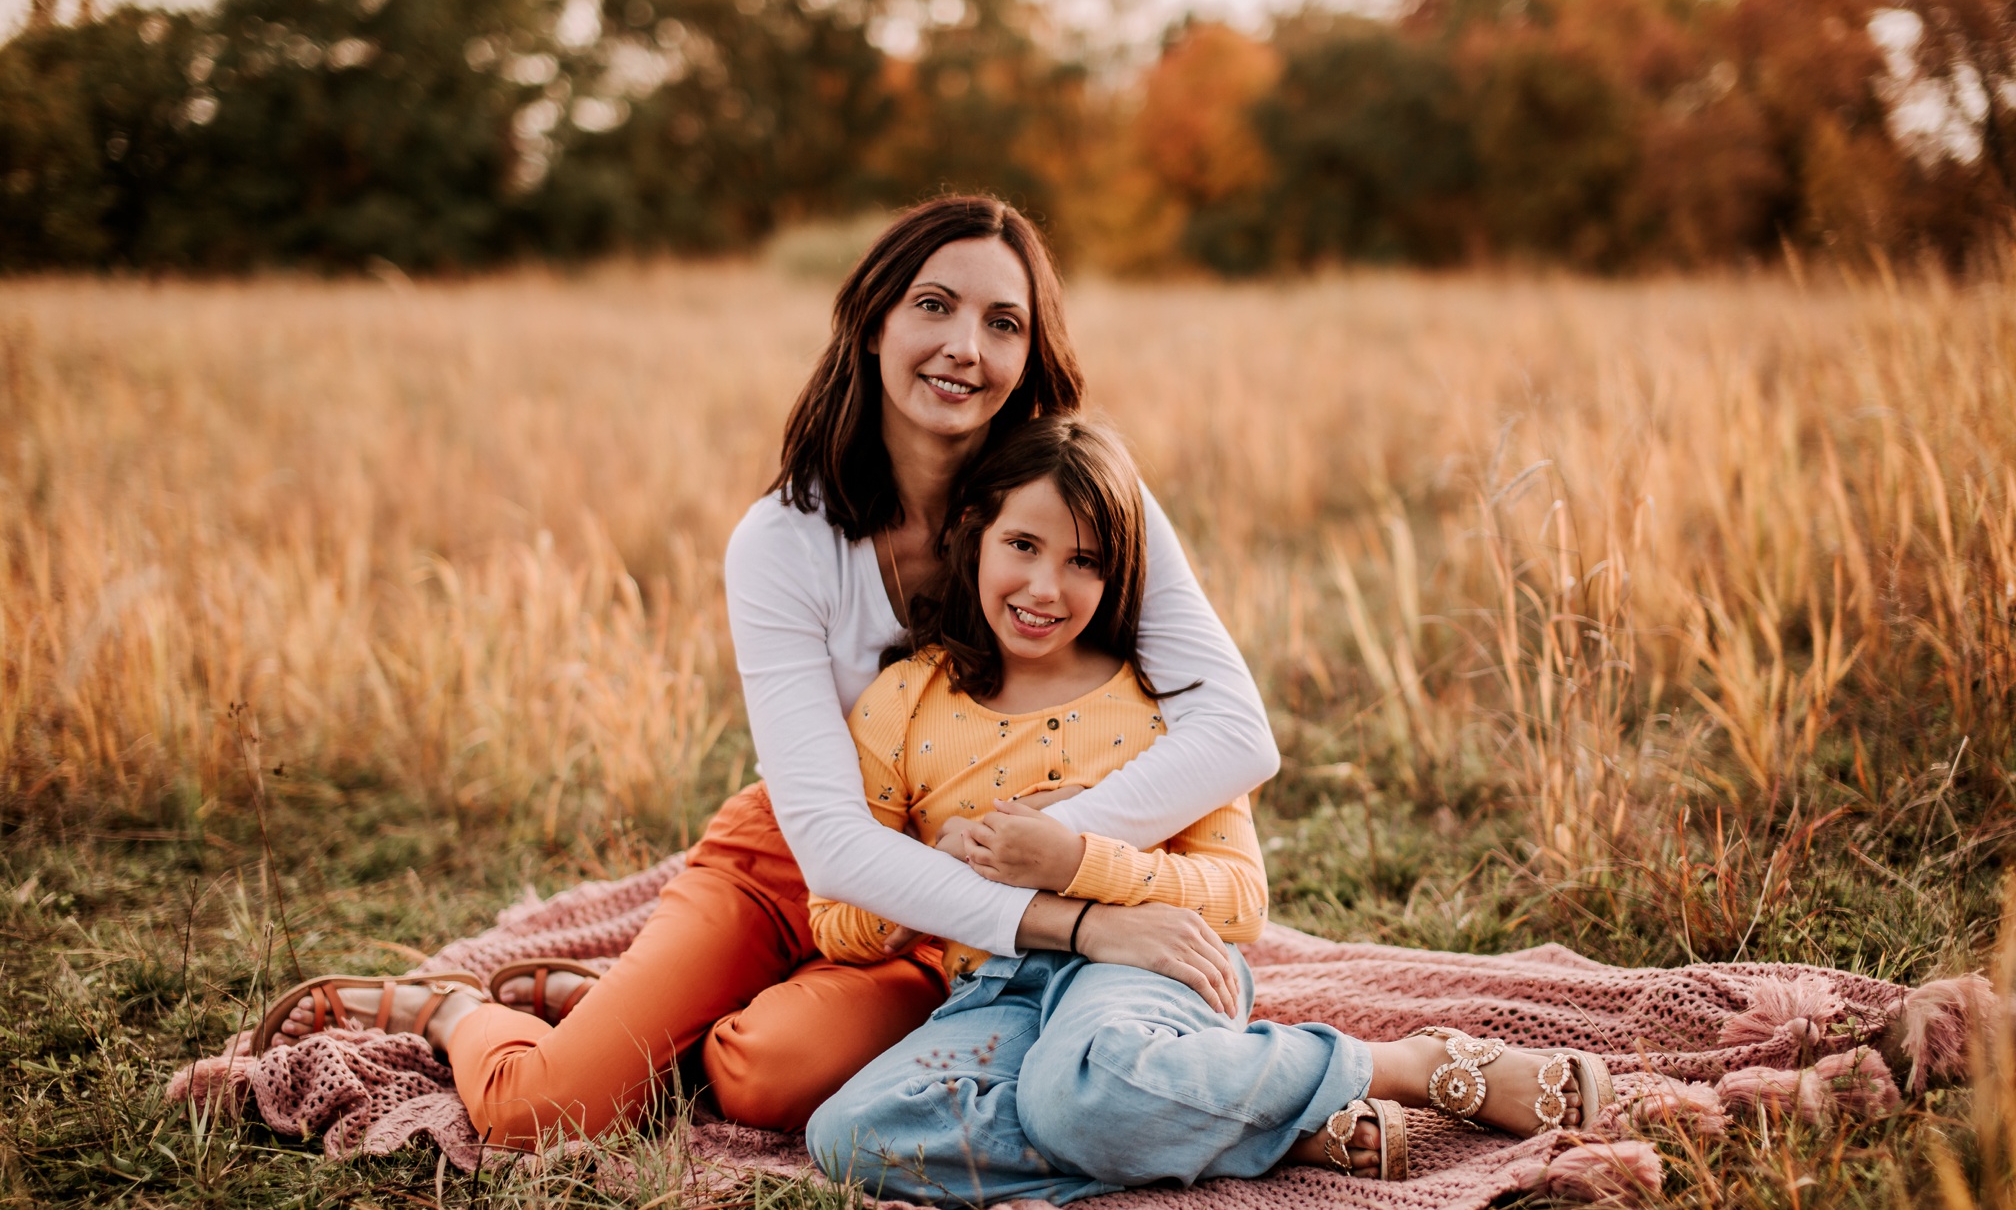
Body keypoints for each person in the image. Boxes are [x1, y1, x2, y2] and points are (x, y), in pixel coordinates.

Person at [256, 195, 1285, 1145]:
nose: (964, 348)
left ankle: (651, 1014)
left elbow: (1235, 735)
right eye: (934, 305)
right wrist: (1071, 916)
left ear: (1033, 349)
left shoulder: (1084, 506)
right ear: (875, 320)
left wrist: (1044, 845)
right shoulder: (783, 541)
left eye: (1003, 322)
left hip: (961, 898)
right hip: (800, 852)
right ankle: (464, 1011)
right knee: (543, 1115)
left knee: (763, 1080)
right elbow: (834, 847)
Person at [804, 413, 1613, 1204]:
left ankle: (1406, 1064)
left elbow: (1240, 898)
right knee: (853, 1132)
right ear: (973, 530)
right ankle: (1278, 1129)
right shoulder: (904, 701)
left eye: (1084, 561)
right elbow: (839, 918)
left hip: (1145, 969)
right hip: (994, 990)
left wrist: (1078, 860)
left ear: (1120, 572)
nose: (1045, 587)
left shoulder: (1162, 702)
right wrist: (934, 870)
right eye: (1022, 544)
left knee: (1080, 1092)